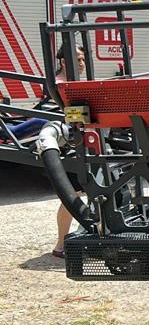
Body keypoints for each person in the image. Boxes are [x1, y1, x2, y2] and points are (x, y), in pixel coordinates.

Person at [51, 44, 86, 258]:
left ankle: (64, 242)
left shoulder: (69, 83)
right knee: (72, 196)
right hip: (70, 146)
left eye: (83, 59)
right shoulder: (59, 85)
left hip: (79, 142)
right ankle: (60, 244)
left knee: (79, 194)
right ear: (64, 62)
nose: (82, 64)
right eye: (78, 60)